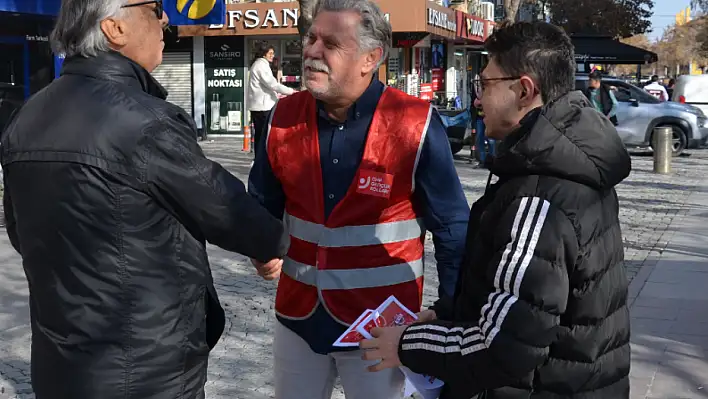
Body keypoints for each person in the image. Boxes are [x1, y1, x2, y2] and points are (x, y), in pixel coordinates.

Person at [0, 0, 289, 398]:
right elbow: (224, 206)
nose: (165, 20)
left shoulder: (27, 117)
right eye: (154, 8)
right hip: (146, 367)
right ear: (113, 28)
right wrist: (273, 242)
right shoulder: (145, 122)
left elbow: (20, 233)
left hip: (60, 363)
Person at [361, 21, 632, 399]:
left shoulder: (541, 193)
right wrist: (447, 316)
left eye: (484, 84)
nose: (476, 99)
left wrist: (407, 342)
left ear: (524, 90)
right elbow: (518, 298)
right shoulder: (563, 162)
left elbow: (504, 346)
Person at [247, 0, 470, 398]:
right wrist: (260, 246)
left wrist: (450, 313)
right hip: (298, 317)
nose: (312, 51)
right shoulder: (282, 116)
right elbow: (261, 199)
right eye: (311, 38)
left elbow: (453, 228)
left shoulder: (414, 123)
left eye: (330, 43)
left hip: (381, 329)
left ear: (370, 58)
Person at [247, 43, 296, 157]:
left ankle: (260, 158)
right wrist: (291, 91)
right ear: (264, 54)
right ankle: (263, 159)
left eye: (273, 53)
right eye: (270, 53)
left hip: (259, 105)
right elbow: (272, 84)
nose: (272, 56)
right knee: (265, 135)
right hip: (263, 106)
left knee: (260, 135)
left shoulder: (258, 64)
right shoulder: (261, 65)